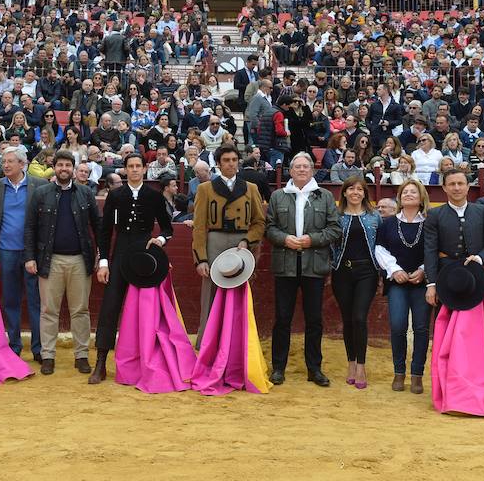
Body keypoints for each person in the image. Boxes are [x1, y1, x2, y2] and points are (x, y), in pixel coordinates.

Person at [424, 169, 484, 416]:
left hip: (473, 280)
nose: (456, 188)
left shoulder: (482, 211)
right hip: (446, 280)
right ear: (443, 188)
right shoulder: (434, 215)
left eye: (460, 183)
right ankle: (448, 389)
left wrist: (480, 257)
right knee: (445, 337)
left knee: (474, 337)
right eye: (451, 184)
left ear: (468, 187)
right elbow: (430, 251)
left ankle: (473, 386)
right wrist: (431, 284)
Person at [90, 152, 174, 384]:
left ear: (145, 169)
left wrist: (161, 241)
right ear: (125, 170)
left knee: (146, 310)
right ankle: (100, 363)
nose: (135, 170)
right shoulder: (116, 196)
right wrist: (104, 262)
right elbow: (104, 232)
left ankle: (146, 361)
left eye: (139, 166)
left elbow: (168, 229)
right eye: (131, 166)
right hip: (120, 254)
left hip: (145, 256)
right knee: (110, 306)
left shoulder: (154, 196)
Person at [265, 152, 341, 386]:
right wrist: (284, 239)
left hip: (314, 264)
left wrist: (312, 240)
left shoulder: (325, 196)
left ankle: (314, 368)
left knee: (314, 319)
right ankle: (278, 368)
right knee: (282, 318)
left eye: (305, 166)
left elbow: (335, 229)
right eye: (296, 166)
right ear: (290, 170)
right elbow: (269, 228)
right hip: (285, 263)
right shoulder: (278, 196)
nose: (300, 170)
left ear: (312, 170)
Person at [24, 150, 102, 375]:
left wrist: (101, 255)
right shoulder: (41, 193)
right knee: (49, 310)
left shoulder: (85, 193)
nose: (64, 169)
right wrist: (30, 257)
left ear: (74, 168)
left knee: (80, 310)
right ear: (54, 167)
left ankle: (82, 355)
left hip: (80, 259)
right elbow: (30, 227)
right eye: (60, 165)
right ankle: (48, 355)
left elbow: (97, 227)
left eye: (68, 165)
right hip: (50, 259)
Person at [191, 145, 266, 348]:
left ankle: (239, 344)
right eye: (226, 160)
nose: (231, 163)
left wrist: (248, 240)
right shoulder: (205, 189)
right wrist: (201, 259)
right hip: (214, 243)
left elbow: (259, 222)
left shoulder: (251, 189)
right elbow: (199, 226)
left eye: (234, 160)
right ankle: (206, 344)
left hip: (241, 245)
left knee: (241, 294)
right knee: (210, 295)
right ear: (218, 164)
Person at [0, 147, 47, 362]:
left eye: (10, 161)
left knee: (35, 301)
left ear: (22, 164)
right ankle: (14, 345)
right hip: (6, 250)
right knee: (10, 300)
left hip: (31, 253)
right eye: (4, 161)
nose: (6, 165)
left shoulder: (40, 186)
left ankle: (39, 348)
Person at [375, 180, 431, 394]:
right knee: (398, 326)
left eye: (413, 192)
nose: (408, 194)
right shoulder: (388, 223)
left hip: (422, 282)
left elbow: (434, 249)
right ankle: (399, 372)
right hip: (396, 281)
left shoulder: (428, 222)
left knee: (421, 328)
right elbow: (379, 248)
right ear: (399, 197)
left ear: (421, 197)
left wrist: (424, 270)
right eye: (404, 191)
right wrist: (395, 270)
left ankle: (417, 375)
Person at [330, 176, 382, 389]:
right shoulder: (336, 216)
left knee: (359, 317)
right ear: (344, 193)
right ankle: (351, 363)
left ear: (364, 193)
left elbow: (381, 244)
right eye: (351, 189)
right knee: (348, 319)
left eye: (359, 189)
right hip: (342, 271)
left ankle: (361, 366)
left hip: (367, 272)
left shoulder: (374, 217)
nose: (355, 192)